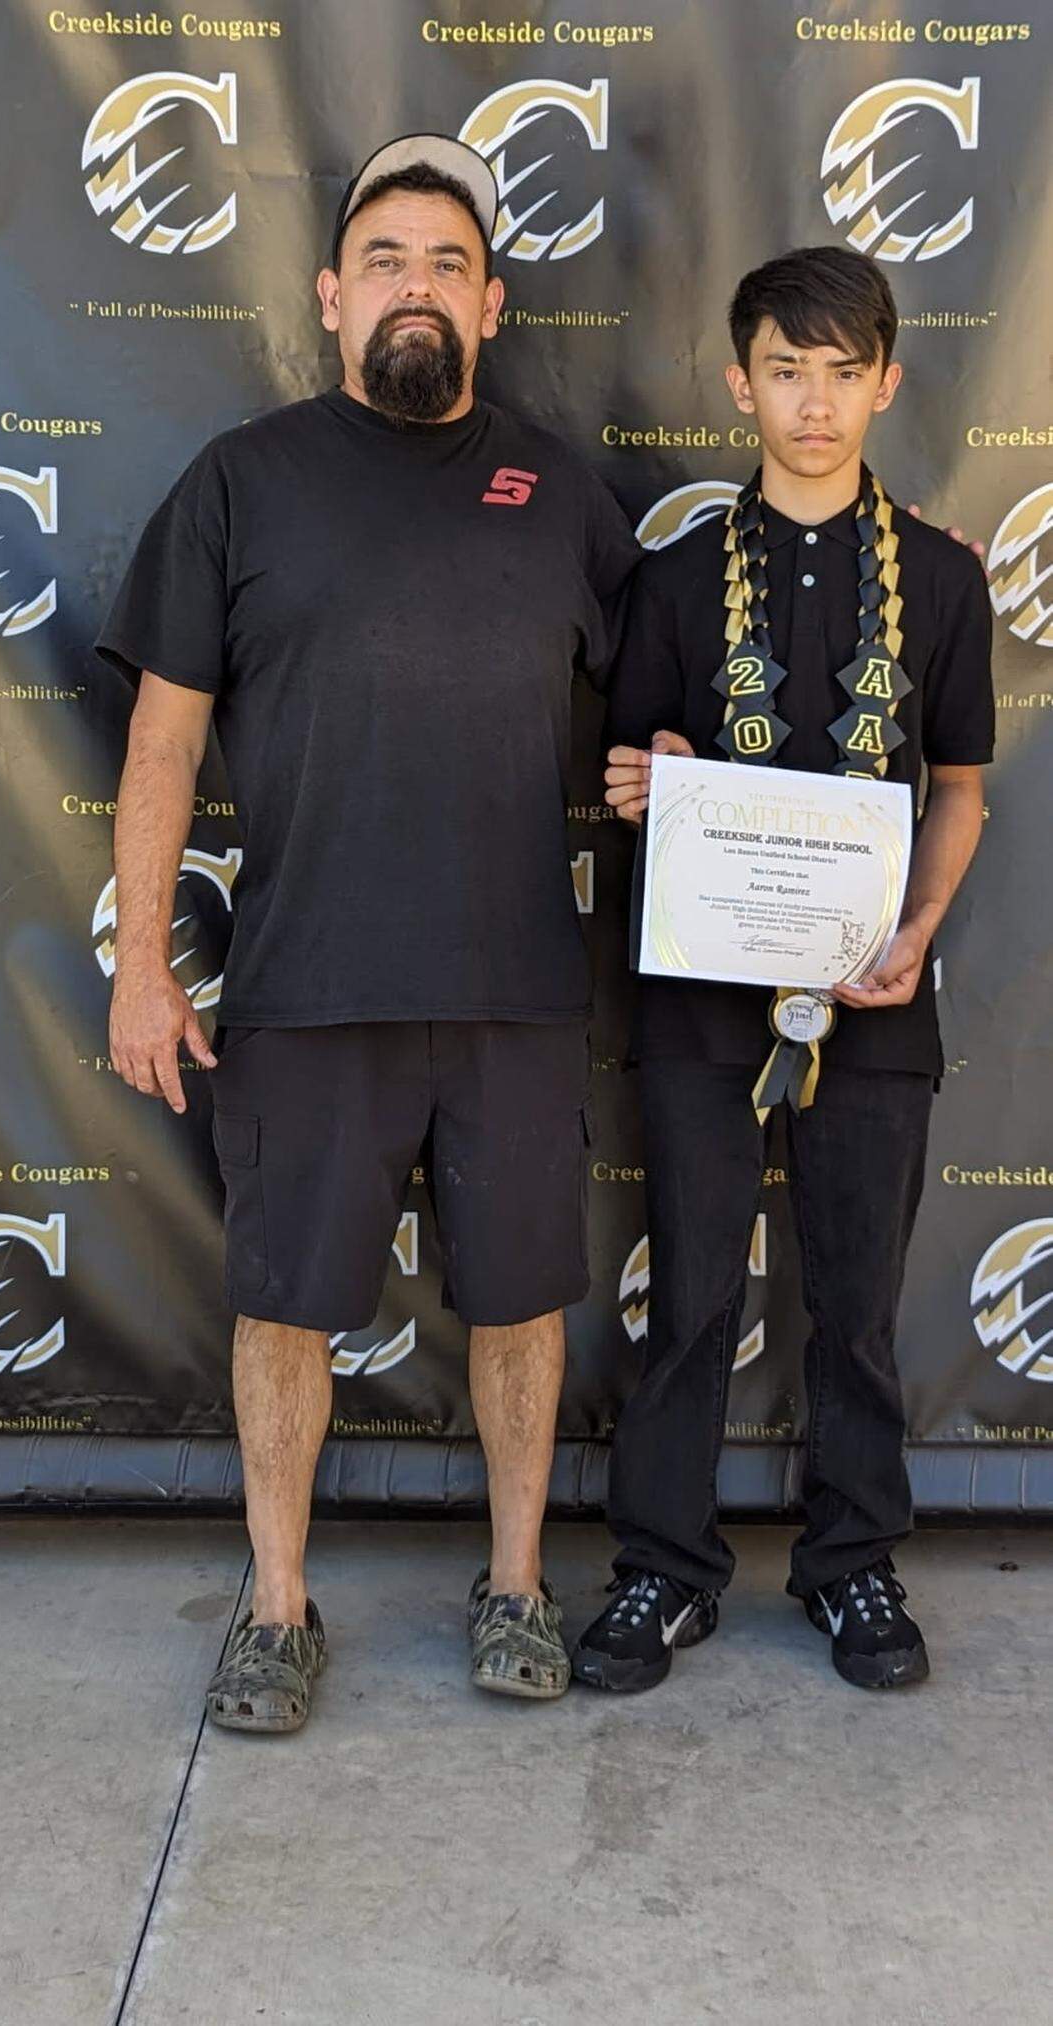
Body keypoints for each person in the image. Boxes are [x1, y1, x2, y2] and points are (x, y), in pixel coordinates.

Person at [95, 135, 639, 1731]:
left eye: (449, 264)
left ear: (492, 300)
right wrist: (141, 957)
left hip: (513, 990)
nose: (418, 287)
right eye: (386, 260)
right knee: (283, 1307)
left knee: (526, 1299)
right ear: (333, 297)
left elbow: (662, 701)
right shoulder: (240, 481)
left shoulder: (565, 496)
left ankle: (520, 1583)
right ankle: (274, 1606)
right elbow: (162, 747)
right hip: (303, 986)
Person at [571, 246, 994, 1694]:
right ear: (739, 378)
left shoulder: (941, 579)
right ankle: (661, 1567)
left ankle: (854, 1560)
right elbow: (635, 769)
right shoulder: (676, 579)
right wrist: (655, 780)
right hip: (700, 1002)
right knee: (691, 1286)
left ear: (886, 379)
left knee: (857, 1296)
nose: (813, 404)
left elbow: (962, 788)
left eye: (841, 371)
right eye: (784, 369)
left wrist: (919, 931)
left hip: (876, 999)